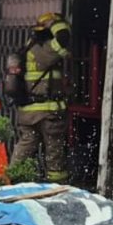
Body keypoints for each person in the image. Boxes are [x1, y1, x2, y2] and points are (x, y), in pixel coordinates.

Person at [14, 11, 72, 183]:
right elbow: (63, 38)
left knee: (26, 144)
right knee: (54, 150)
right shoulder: (44, 49)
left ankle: (11, 178)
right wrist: (57, 23)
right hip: (46, 112)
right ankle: (56, 186)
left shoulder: (29, 47)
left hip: (28, 111)